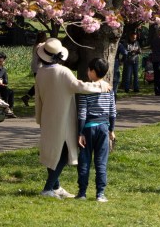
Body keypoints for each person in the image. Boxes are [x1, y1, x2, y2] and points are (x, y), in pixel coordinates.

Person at [35, 38, 111, 199]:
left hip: (48, 116)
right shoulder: (63, 72)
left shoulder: (41, 72)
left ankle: (55, 186)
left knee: (52, 152)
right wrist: (100, 86)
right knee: (62, 153)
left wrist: (39, 117)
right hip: (62, 117)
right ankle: (48, 188)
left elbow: (38, 97)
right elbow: (79, 86)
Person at [75, 58, 116, 202]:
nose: (87, 72)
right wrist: (112, 129)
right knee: (101, 162)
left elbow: (82, 112)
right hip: (104, 128)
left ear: (92, 71)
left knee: (84, 160)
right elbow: (112, 111)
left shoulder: (86, 90)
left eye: (88, 69)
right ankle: (100, 194)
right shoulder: (109, 89)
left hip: (88, 129)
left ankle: (82, 193)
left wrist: (80, 132)